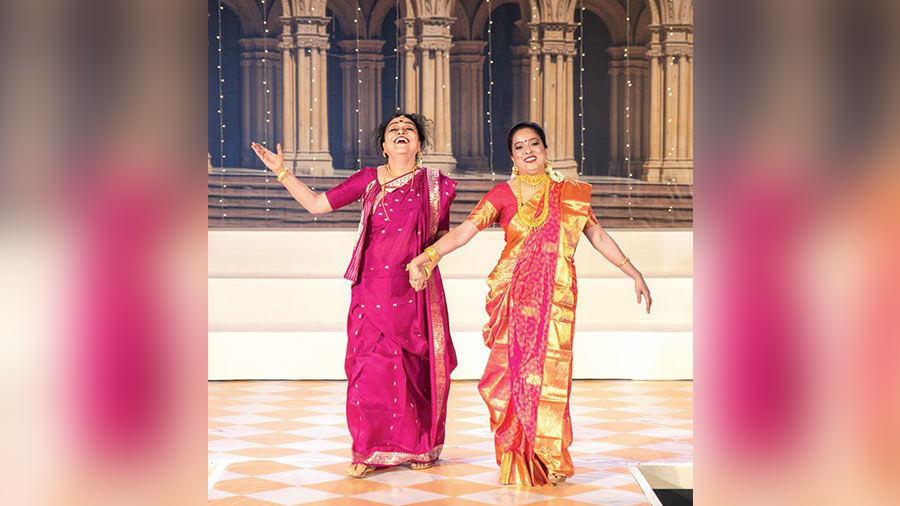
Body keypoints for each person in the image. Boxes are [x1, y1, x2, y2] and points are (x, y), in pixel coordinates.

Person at [406, 121, 652, 486]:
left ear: (546, 149)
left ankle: (549, 458)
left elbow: (595, 233)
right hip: (515, 300)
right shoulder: (502, 194)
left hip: (555, 299)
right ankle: (518, 453)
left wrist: (633, 272)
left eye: (533, 143)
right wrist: (427, 256)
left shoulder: (570, 194)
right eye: (520, 147)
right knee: (509, 378)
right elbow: (463, 232)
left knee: (550, 379)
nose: (528, 151)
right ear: (512, 157)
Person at [251, 113, 457, 478]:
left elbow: (441, 238)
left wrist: (424, 263)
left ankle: (420, 445)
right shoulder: (368, 180)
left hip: (414, 289)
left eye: (408, 129)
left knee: (414, 370)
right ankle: (368, 449)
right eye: (394, 129)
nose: (400, 133)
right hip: (372, 290)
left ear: (419, 145)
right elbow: (316, 205)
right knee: (368, 372)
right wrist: (282, 172)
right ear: (383, 145)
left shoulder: (437, 186)